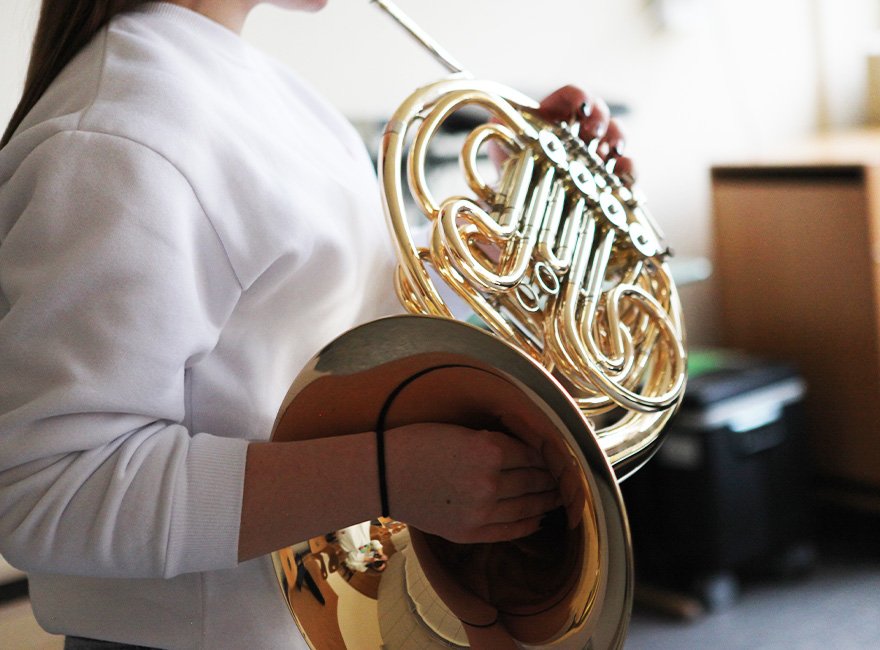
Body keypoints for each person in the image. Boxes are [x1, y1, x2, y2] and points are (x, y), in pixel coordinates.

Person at [0, 1, 633, 648]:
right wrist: (387, 477)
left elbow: (346, 318)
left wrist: (530, 230)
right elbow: (51, 489)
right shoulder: (113, 139)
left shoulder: (265, 89)